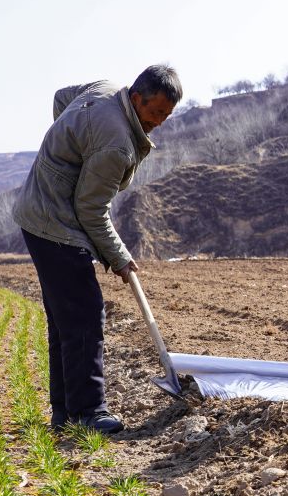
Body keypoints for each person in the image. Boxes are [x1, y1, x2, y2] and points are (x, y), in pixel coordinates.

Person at [13, 64, 182, 434]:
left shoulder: (104, 88)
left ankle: (65, 413)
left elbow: (61, 98)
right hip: (56, 222)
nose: (159, 121)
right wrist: (120, 258)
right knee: (86, 316)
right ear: (136, 98)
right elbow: (91, 211)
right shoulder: (116, 144)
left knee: (65, 321)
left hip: (35, 211)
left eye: (166, 115)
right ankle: (88, 412)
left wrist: (68, 152)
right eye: (155, 112)